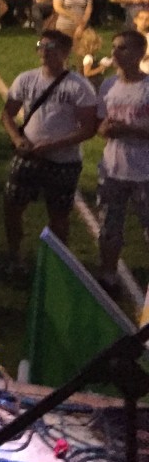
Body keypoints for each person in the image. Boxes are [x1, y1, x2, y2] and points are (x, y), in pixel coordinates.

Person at [1, 28, 99, 269]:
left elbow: (88, 128)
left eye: (51, 47)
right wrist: (17, 139)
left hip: (63, 161)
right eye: (41, 46)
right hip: (28, 155)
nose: (44, 51)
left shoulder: (79, 86)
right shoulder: (26, 79)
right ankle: (14, 255)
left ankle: (57, 262)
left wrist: (53, 145)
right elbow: (7, 114)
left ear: (66, 52)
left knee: (59, 214)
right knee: (12, 206)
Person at [94, 30, 149, 298]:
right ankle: (108, 276)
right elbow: (99, 125)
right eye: (114, 47)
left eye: (123, 48)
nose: (115, 52)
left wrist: (127, 130)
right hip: (112, 170)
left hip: (144, 172)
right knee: (109, 227)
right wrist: (105, 129)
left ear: (140, 53)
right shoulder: (108, 86)